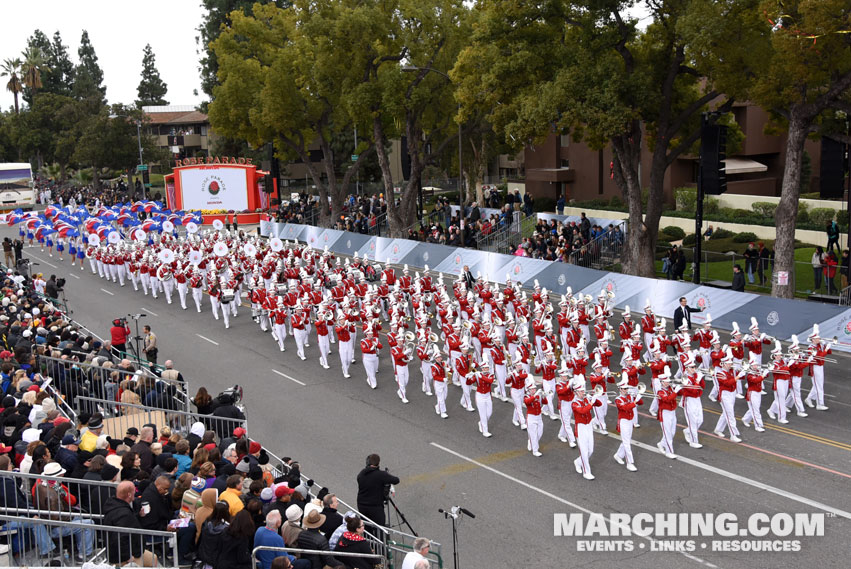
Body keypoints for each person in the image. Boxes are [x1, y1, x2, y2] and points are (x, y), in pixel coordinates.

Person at [103, 481, 158, 566]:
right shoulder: (123, 513)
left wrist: (139, 515)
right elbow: (119, 537)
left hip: (135, 549)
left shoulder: (117, 506)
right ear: (129, 495)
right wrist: (127, 556)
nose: (135, 492)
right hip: (126, 556)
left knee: (153, 558)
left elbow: (127, 523)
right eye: (134, 491)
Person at [356, 454, 399, 528]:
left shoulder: (362, 473)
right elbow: (396, 480)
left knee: (367, 526)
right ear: (378, 463)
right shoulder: (381, 475)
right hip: (375, 506)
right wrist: (386, 475)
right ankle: (380, 539)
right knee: (380, 528)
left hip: (362, 505)